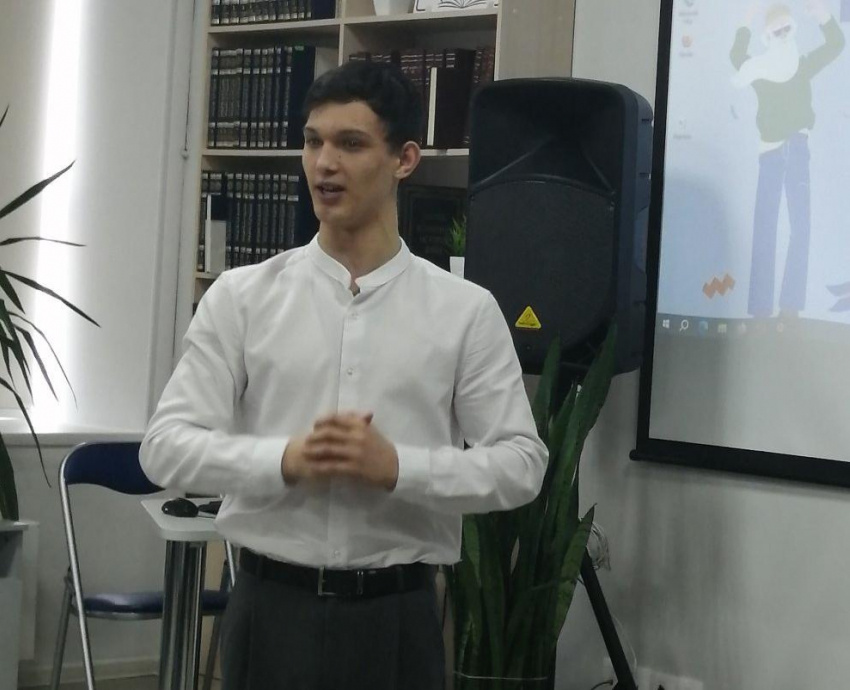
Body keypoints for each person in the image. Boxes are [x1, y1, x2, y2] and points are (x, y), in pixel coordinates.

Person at [140, 60, 548, 690]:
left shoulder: (464, 311)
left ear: (404, 159)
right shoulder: (242, 297)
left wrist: (400, 468)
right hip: (269, 609)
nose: (324, 164)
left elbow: (521, 464)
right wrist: (284, 460)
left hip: (398, 618)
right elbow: (165, 448)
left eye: (350, 144)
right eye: (313, 142)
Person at [730, 0, 845, 318]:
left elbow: (836, 44)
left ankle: (791, 308)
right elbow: (737, 57)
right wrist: (747, 19)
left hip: (797, 148)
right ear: (767, 35)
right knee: (764, 227)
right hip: (770, 152)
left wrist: (822, 15)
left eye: (786, 29)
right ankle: (760, 308)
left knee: (800, 226)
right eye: (775, 30)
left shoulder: (802, 65)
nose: (781, 35)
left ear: (792, 30)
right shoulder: (758, 70)